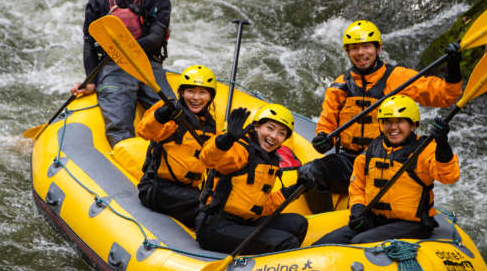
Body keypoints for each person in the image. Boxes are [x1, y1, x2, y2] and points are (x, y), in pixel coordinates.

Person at [299, 19, 463, 213]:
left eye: (366, 47)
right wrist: (323, 138)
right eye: (354, 48)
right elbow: (328, 123)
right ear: (347, 52)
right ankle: (324, 220)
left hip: (389, 160)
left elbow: (444, 96)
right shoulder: (340, 85)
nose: (360, 53)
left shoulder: (399, 78)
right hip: (351, 160)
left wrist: (453, 68)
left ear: (378, 48)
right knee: (308, 173)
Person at [314, 95, 459, 245]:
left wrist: (442, 145)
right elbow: (357, 187)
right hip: (375, 219)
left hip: (412, 224)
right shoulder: (371, 150)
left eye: (400, 121)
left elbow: (449, 176)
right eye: (388, 122)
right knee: (325, 243)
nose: (393, 127)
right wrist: (358, 209)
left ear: (413, 125)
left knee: (360, 241)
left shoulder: (425, 150)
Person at [71, 0, 174, 148]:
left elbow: (155, 38)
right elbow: (89, 42)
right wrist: (90, 79)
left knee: (174, 114)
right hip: (113, 65)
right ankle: (126, 162)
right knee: (118, 125)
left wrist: (127, 48)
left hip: (147, 65)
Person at [195, 104, 308, 255]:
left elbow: (260, 207)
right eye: (270, 128)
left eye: (281, 133)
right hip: (216, 226)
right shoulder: (239, 150)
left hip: (246, 223)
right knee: (286, 242)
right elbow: (208, 158)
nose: (274, 136)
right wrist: (227, 139)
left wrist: (292, 191)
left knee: (298, 223)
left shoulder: (269, 160)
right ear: (256, 127)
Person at [136, 65, 218, 228]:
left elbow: (216, 161)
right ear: (181, 92)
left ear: (210, 96)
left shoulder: (210, 125)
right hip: (157, 188)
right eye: (191, 91)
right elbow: (144, 131)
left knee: (217, 206)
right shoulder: (169, 111)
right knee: (209, 210)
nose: (196, 98)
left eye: (203, 92)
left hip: (188, 190)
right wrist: (160, 116)